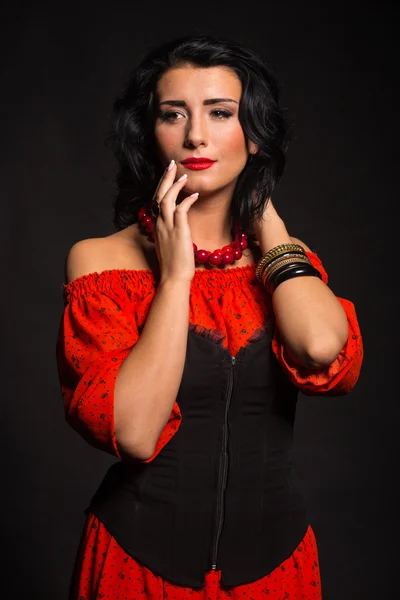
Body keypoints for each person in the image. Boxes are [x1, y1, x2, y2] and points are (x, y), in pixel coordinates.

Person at [55, 34, 363, 600]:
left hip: (278, 570)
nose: (196, 134)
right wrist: (174, 280)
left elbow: (322, 348)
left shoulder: (284, 262)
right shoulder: (102, 262)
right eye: (174, 114)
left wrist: (263, 211)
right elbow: (136, 434)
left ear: (256, 135)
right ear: (150, 134)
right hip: (138, 568)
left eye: (221, 113)